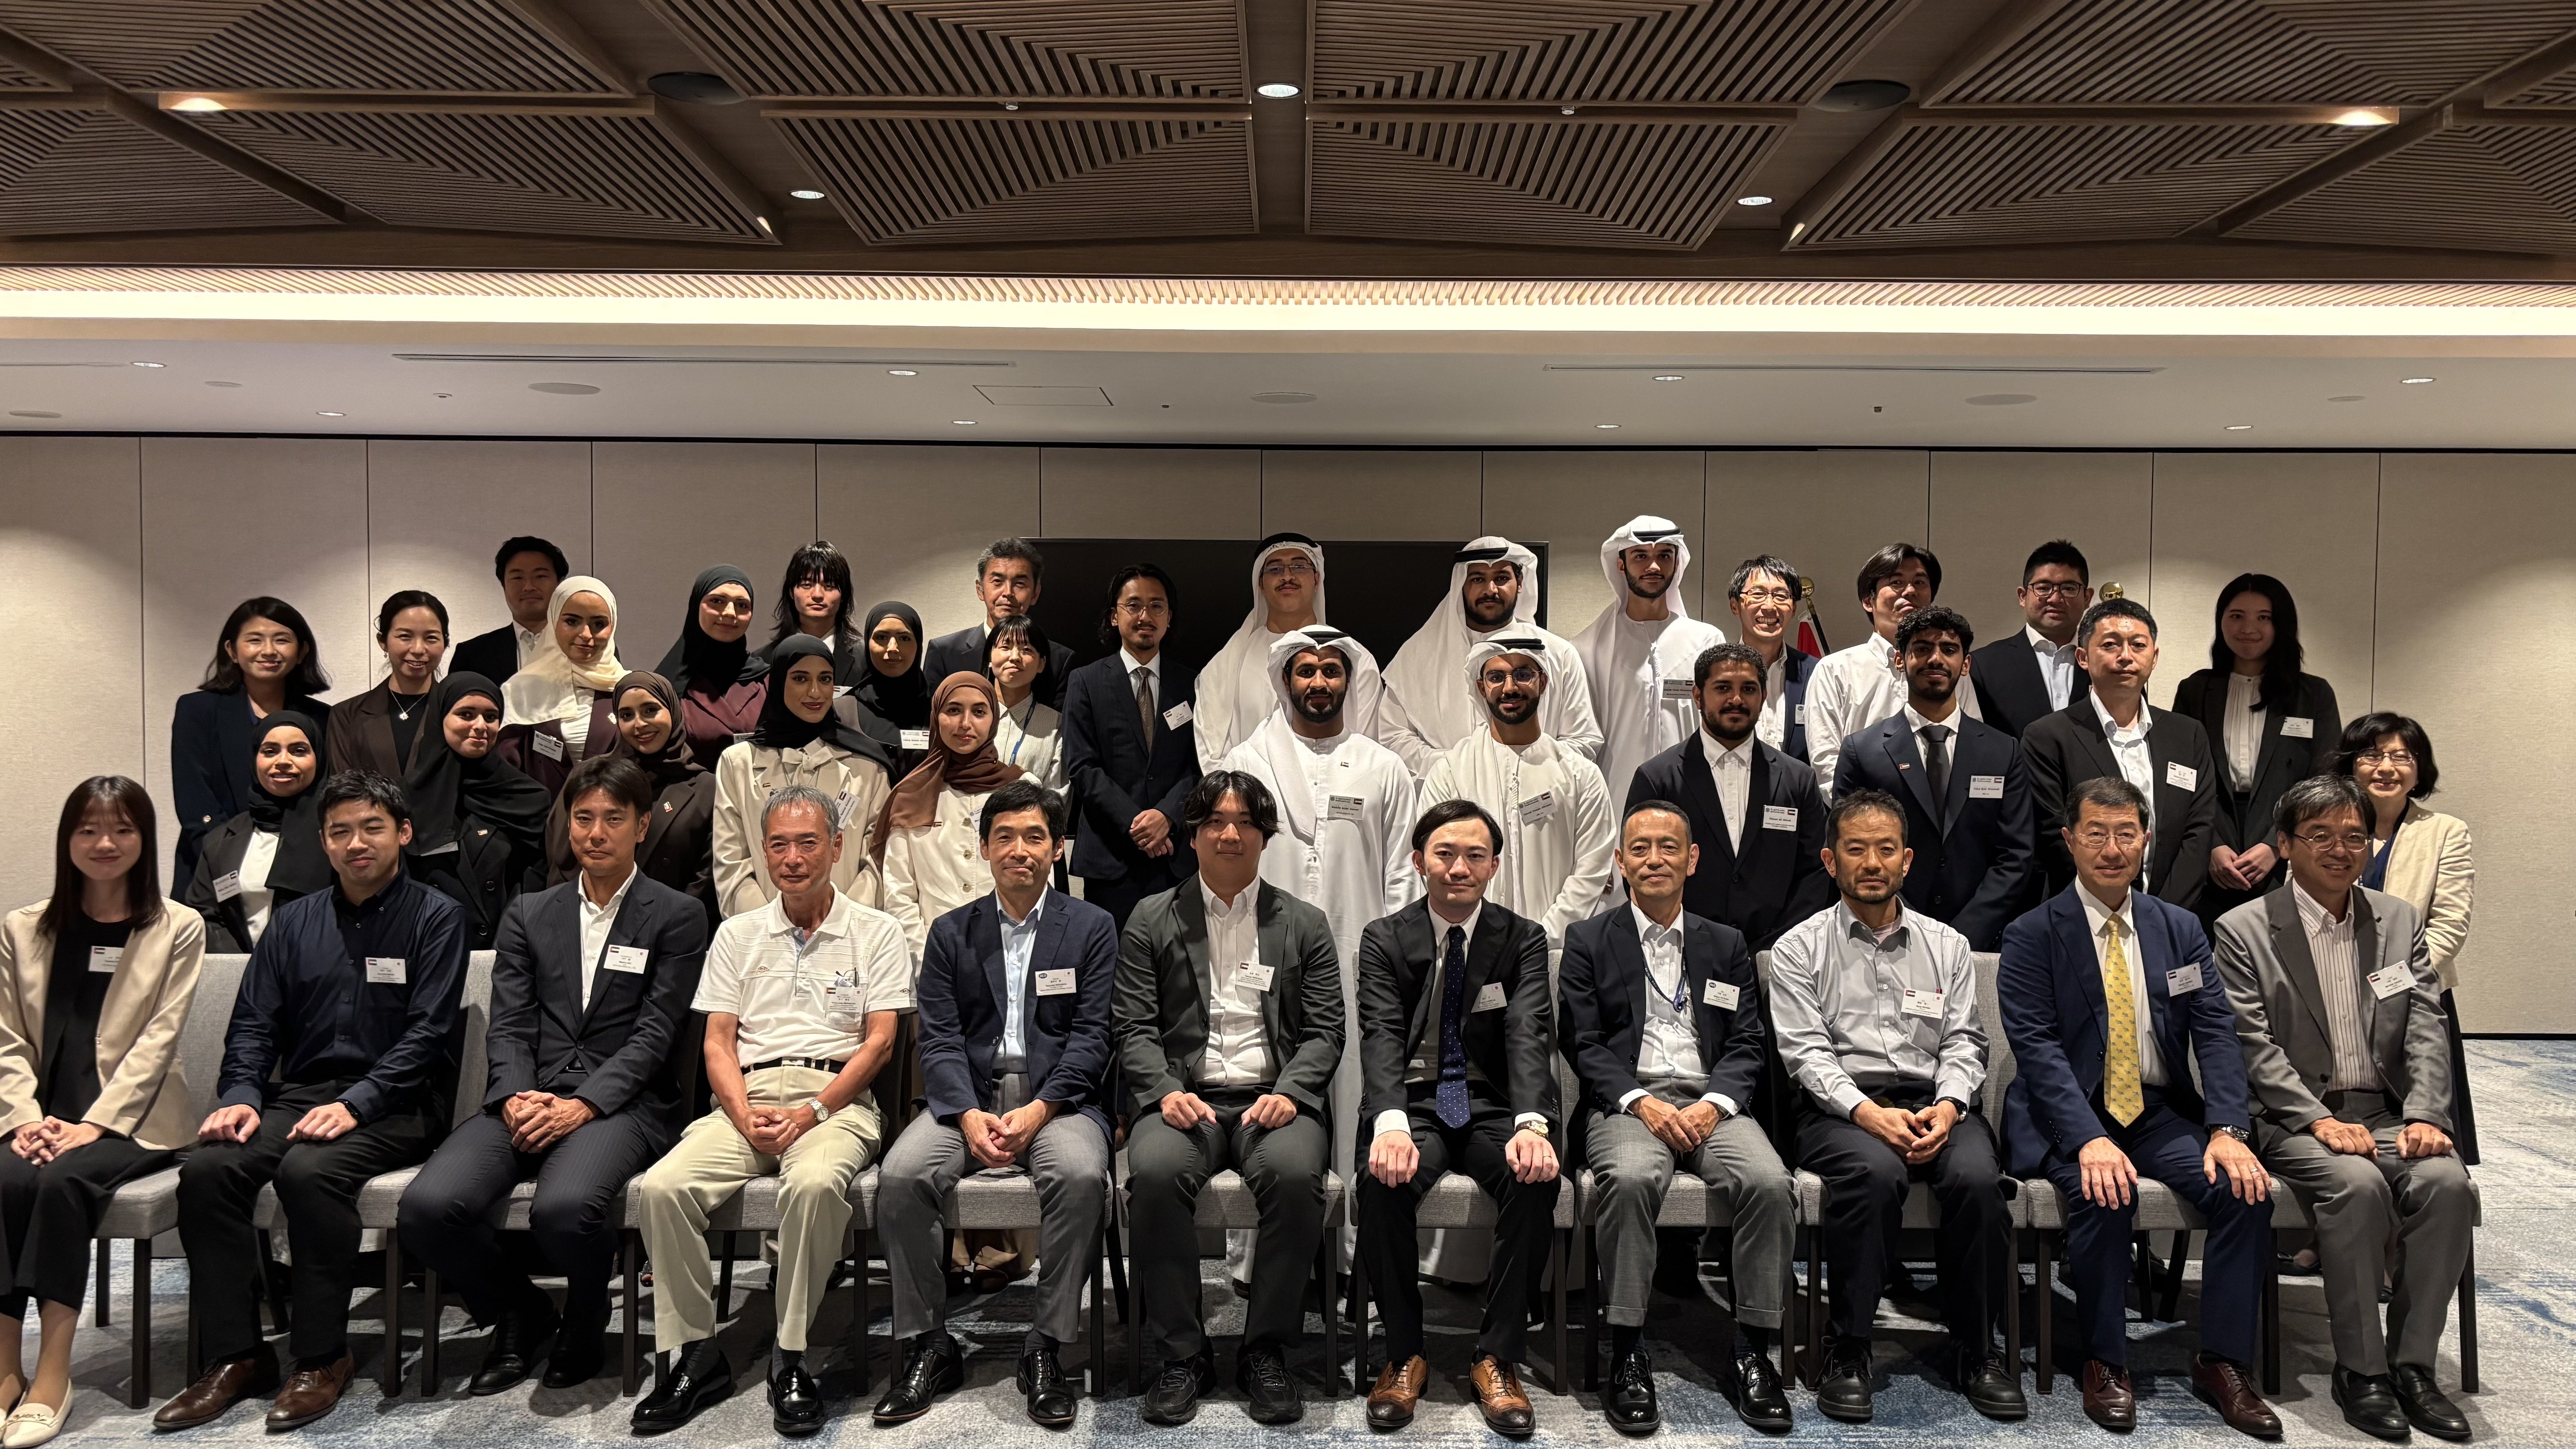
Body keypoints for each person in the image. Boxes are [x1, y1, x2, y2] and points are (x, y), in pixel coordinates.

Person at [157, 773, 470, 1434]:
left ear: (403, 833)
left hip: (398, 1103)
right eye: (340, 831)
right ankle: (237, 1355)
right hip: (296, 1097)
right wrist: (240, 1094)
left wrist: (359, 1102)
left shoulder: (437, 916)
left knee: (309, 1171)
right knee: (209, 1171)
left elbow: (430, 1033)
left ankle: (323, 1355)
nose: (357, 843)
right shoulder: (293, 922)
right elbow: (252, 1025)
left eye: (372, 827)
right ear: (324, 843)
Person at [398, 756, 708, 1394]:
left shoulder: (676, 914)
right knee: (428, 1209)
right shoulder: (529, 911)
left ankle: (587, 1311)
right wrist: (513, 1095)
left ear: (642, 825)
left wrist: (585, 1104)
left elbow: (657, 1035)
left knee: (564, 1211)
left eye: (613, 819)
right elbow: (509, 1021)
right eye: (583, 817)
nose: (595, 832)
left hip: (625, 1103)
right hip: (528, 1092)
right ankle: (522, 1310)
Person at [1996, 777, 2277, 1437]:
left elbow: (2215, 1033)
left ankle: (2224, 1362)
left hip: (2154, 1111)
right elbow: (2036, 1048)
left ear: (2146, 839)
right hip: (2068, 1111)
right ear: (2069, 841)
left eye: (2127, 833)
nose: (2113, 848)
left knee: (2245, 1192)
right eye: (2096, 833)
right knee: (2105, 1190)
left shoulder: (2179, 929)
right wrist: (2088, 1138)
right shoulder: (2033, 932)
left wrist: (2228, 1128)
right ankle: (2106, 1361)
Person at [629, 784, 910, 1437]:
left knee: (812, 1183)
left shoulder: (877, 930)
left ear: (837, 847)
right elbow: (718, 1040)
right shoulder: (738, 933)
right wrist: (740, 1109)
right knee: (663, 1187)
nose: (792, 857)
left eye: (808, 842)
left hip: (835, 1101)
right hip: (747, 1099)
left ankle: (790, 1355)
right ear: (762, 852)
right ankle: (696, 1354)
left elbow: (881, 1041)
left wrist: (814, 1109)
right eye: (778, 844)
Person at [2212, 776, 2475, 1444]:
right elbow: (2252, 1043)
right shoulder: (2244, 929)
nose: (2340, 849)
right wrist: (2316, 1119)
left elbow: (2423, 1024)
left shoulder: (2396, 920)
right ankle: (2361, 1373)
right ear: (2285, 844)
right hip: (2293, 1119)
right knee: (2355, 1188)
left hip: (2385, 1114)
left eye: (2355, 836)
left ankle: (2412, 1366)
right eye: (2321, 835)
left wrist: (2428, 1116)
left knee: (2448, 1185)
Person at [1766, 789, 2023, 1426]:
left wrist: (1951, 1103)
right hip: (1837, 1110)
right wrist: (1866, 1113)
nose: (1872, 862)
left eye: (1886, 849)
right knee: (1874, 1175)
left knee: (1976, 1179)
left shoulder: (1947, 944)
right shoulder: (1799, 949)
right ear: (1831, 860)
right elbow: (1806, 1055)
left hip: (1934, 1099)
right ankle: (1848, 1346)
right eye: (1856, 849)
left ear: (1908, 860)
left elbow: (1965, 1039)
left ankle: (1975, 1347)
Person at [874, 781, 1116, 1430]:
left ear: (1057, 847)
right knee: (900, 1177)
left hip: (1058, 1103)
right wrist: (965, 1112)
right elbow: (942, 1036)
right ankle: (930, 1343)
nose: (1019, 849)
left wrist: (1041, 1109)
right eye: (1004, 836)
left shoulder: (1091, 927)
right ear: (984, 847)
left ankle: (1047, 1345)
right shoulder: (952, 932)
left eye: (1035, 836)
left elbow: (1094, 1036)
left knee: (1082, 1174)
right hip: (968, 1099)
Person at [1557, 800, 1795, 1435]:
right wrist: (1644, 1103)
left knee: (1771, 1184)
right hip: (1628, 1105)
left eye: (1668, 847)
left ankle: (1754, 1348)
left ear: (1692, 860)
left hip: (1714, 1101)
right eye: (1639, 848)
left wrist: (1714, 1104)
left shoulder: (1725, 943)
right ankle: (1627, 1348)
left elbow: (1747, 1042)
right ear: (1620, 862)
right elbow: (1582, 1044)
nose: (1654, 859)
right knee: (1632, 1179)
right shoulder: (1588, 941)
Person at [1115, 772, 1342, 1426]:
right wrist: (1162, 1090)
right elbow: (1131, 1027)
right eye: (1215, 820)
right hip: (1186, 1099)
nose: (1230, 833)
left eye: (1246, 822)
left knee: (1298, 1177)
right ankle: (1183, 1355)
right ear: (1192, 835)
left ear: (1265, 836)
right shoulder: (1152, 917)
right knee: (1154, 1173)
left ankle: (1264, 1350)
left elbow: (1327, 1031)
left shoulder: (1303, 922)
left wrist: (1294, 1091)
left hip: (1274, 1099)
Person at [0, 778, 203, 1448]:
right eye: (87, 829)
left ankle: (52, 1370)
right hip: (37, 1113)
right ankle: (4, 1368)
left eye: (122, 829)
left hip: (134, 1118)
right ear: (67, 841)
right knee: (6, 1178)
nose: (105, 843)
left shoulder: (178, 925)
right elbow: (6, 1039)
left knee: (63, 1182)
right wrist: (23, 1119)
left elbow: (159, 1040)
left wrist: (95, 1125)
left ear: (145, 840)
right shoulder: (23, 927)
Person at [1352, 800, 1560, 1437]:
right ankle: (1403, 1353)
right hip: (1415, 1101)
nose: (1459, 867)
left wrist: (1533, 1122)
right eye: (1444, 853)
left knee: (1535, 1179)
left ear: (1495, 865)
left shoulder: (1521, 937)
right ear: (1419, 862)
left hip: (1491, 1100)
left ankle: (1497, 1356)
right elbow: (1381, 1033)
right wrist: (1388, 1121)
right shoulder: (1385, 937)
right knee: (1381, 1180)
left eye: (1475, 855)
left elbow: (1529, 1032)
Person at [1222, 626, 1418, 1203]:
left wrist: (1398, 960)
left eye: (1331, 670)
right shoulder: (1246, 762)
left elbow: (1403, 874)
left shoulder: (1383, 766)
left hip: (1363, 954)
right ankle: (1265, 1248)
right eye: (1305, 670)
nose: (1319, 682)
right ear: (1286, 682)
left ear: (1348, 682)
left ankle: (1356, 1240)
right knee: (1272, 1080)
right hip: (1266, 956)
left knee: (1358, 1078)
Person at [1829, 606, 2033, 951]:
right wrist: (1908, 925)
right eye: (1922, 649)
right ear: (1900, 660)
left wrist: (1963, 935)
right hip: (1886, 934)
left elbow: (2016, 854)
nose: (1935, 659)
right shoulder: (1862, 751)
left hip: (1979, 941)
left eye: (1949, 650)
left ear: (1965, 664)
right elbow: (1849, 847)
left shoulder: (2004, 751)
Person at [1625, 644, 1832, 951]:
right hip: (1684, 951)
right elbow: (1641, 869)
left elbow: (1817, 871)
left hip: (1779, 955)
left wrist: (1781, 943)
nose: (1736, 699)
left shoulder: (1798, 779)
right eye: (1723, 688)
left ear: (1763, 697)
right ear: (1698, 696)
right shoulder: (1658, 779)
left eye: (1748, 688)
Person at [1419, 634, 1615, 956]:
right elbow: (1436, 862)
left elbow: (1591, 870)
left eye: (1523, 674)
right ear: (1482, 687)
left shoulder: (1581, 776)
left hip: (1557, 954)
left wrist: (1541, 937)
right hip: (1470, 951)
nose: (1510, 688)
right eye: (1497, 677)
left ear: (1544, 682)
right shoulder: (1451, 772)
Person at [2339, 713, 2478, 1165]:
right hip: (2335, 995)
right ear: (2351, 765)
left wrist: (2391, 985)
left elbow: (2449, 925)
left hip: (2418, 998)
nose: (2386, 767)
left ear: (2419, 770)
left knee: (2424, 1135)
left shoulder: (2445, 832)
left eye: (2402, 756)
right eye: (2372, 755)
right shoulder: (2326, 825)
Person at [2023, 598, 2223, 910]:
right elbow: (2055, 836)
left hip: (2174, 914)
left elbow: (2198, 832)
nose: (2126, 657)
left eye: (2138, 645)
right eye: (2111, 645)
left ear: (2154, 657)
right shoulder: (2048, 736)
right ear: (2083, 657)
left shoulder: (2188, 734)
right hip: (2084, 912)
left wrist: (2163, 914)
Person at [2171, 574, 2343, 923]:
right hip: (2211, 837)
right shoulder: (2195, 689)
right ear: (2221, 622)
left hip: (2284, 839)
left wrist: (2275, 845)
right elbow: (2179, 774)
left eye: (2263, 617)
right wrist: (2211, 844)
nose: (2248, 627)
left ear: (2282, 624)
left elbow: (2324, 780)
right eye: (2237, 616)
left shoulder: (2312, 695)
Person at [1377, 536, 1602, 774]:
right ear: (1461, 585)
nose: (1490, 590)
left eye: (1502, 578)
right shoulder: (1418, 656)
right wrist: (1458, 769)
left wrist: (1526, 769)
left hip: (1539, 800)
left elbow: (1583, 740)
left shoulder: (1558, 653)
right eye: (1478, 579)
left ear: (1520, 583)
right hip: (1449, 797)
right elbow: (1393, 736)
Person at [713, 636, 896, 917]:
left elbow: (877, 860)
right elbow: (732, 861)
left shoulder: (867, 766)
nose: (815, 692)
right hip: (762, 937)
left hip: (848, 933)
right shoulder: (737, 763)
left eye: (825, 679)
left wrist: (844, 922)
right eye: (800, 679)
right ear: (778, 683)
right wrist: (767, 928)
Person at [1063, 565, 1199, 932]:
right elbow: (1083, 767)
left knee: (1177, 972)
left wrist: (1167, 817)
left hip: (1175, 854)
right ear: (1114, 615)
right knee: (1113, 973)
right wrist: (1138, 825)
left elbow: (1200, 765)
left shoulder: (1192, 684)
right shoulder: (1086, 681)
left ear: (1169, 618)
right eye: (1134, 605)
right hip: (1112, 856)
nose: (1145, 616)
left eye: (1157, 606)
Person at [170, 597, 332, 888]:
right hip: (211, 868)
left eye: (282, 640)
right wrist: (237, 870)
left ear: (302, 651)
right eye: (254, 640)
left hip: (298, 873)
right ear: (232, 650)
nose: (268, 651)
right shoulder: (197, 711)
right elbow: (195, 801)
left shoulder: (323, 718)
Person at [1570, 516, 1727, 809]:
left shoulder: (1706, 641)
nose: (1653, 566)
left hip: (1694, 797)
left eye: (1664, 556)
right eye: (1641, 555)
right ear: (1621, 564)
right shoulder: (1587, 648)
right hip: (1616, 800)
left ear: (1676, 563)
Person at [1806, 542, 1983, 795]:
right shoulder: (1835, 670)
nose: (1910, 591)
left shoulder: (1946, 669)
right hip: (1865, 823)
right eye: (1897, 583)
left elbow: (1973, 744)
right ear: (1869, 601)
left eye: (1920, 583)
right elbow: (1827, 764)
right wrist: (1869, 822)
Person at [1196, 534, 1381, 772]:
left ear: (1317, 580)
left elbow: (1365, 747)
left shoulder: (1355, 658)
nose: (1287, 576)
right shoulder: (1226, 666)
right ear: (1260, 583)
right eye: (1275, 569)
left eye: (1299, 566)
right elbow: (1214, 754)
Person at [878, 672, 1026, 964]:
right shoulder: (910, 795)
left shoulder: (1023, 790)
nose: (966, 723)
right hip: (932, 961)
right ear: (936, 716)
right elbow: (898, 893)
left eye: (979, 711)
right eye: (954, 710)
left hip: (1011, 959)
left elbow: (1037, 885)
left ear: (994, 719)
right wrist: (927, 963)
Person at [545, 672, 717, 922]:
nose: (639, 724)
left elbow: (706, 876)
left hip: (668, 925)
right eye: (627, 715)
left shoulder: (705, 788)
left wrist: (672, 925)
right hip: (588, 920)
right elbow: (561, 855)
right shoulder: (593, 774)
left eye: (650, 710)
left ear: (673, 710)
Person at [405, 672, 552, 950]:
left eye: (490, 716)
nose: (480, 726)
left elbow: (536, 882)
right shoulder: (406, 798)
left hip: (507, 949)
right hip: (430, 947)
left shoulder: (528, 798)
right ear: (440, 718)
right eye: (466, 714)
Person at [184, 713, 331, 953]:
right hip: (241, 978)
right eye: (270, 751)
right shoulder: (221, 840)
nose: (283, 760)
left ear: (320, 759)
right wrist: (246, 968)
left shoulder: (341, 833)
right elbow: (204, 915)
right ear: (255, 760)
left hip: (320, 977)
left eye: (299, 750)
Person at [500, 576, 626, 796]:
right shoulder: (522, 689)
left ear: (612, 627)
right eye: (572, 621)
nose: (586, 635)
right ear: (554, 621)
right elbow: (505, 769)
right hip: (539, 823)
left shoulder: (628, 689)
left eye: (599, 624)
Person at [922, 538, 1077, 709]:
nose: (1008, 593)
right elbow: (931, 723)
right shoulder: (945, 652)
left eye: (1020, 584)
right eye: (997, 582)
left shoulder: (1059, 659)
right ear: (980, 589)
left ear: (1035, 593)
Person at [1970, 540, 2093, 739]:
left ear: (2087, 598)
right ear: (2023, 596)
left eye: (2069, 588)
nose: (2055, 599)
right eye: (2043, 588)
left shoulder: (2107, 663)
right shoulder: (1982, 666)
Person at [325, 590, 450, 780]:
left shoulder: (457, 712)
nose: (418, 649)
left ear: (445, 643)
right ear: (383, 642)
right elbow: (343, 791)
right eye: (405, 636)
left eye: (431, 638)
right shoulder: (346, 715)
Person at [653, 566, 768, 762]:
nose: (731, 613)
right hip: (691, 791)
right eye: (717, 601)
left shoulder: (768, 679)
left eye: (742, 605)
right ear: (696, 605)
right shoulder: (667, 684)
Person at [1725, 554, 1820, 761]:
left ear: (1793, 609)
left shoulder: (1818, 673)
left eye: (1781, 596)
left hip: (1796, 792)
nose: (1769, 606)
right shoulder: (1717, 674)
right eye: (1757, 594)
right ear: (1735, 606)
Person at [449, 536, 567, 685]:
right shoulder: (472, 654)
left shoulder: (583, 645)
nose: (529, 587)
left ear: (559, 583)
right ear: (503, 585)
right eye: (518, 578)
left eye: (540, 576)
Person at [839, 601, 932, 777]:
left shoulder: (938, 712)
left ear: (918, 644)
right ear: (867, 642)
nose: (893, 648)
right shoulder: (841, 712)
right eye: (881, 637)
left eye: (904, 638)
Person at [989, 615, 1067, 793]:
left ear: (1042, 664)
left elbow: (1058, 797)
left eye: (1026, 650)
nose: (1015, 657)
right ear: (990, 657)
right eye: (1005, 647)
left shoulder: (1056, 724)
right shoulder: (970, 715)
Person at [767, 540, 862, 662]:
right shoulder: (765, 660)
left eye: (829, 586)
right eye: (807, 585)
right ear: (791, 591)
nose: (817, 595)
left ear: (844, 594)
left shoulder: (866, 660)